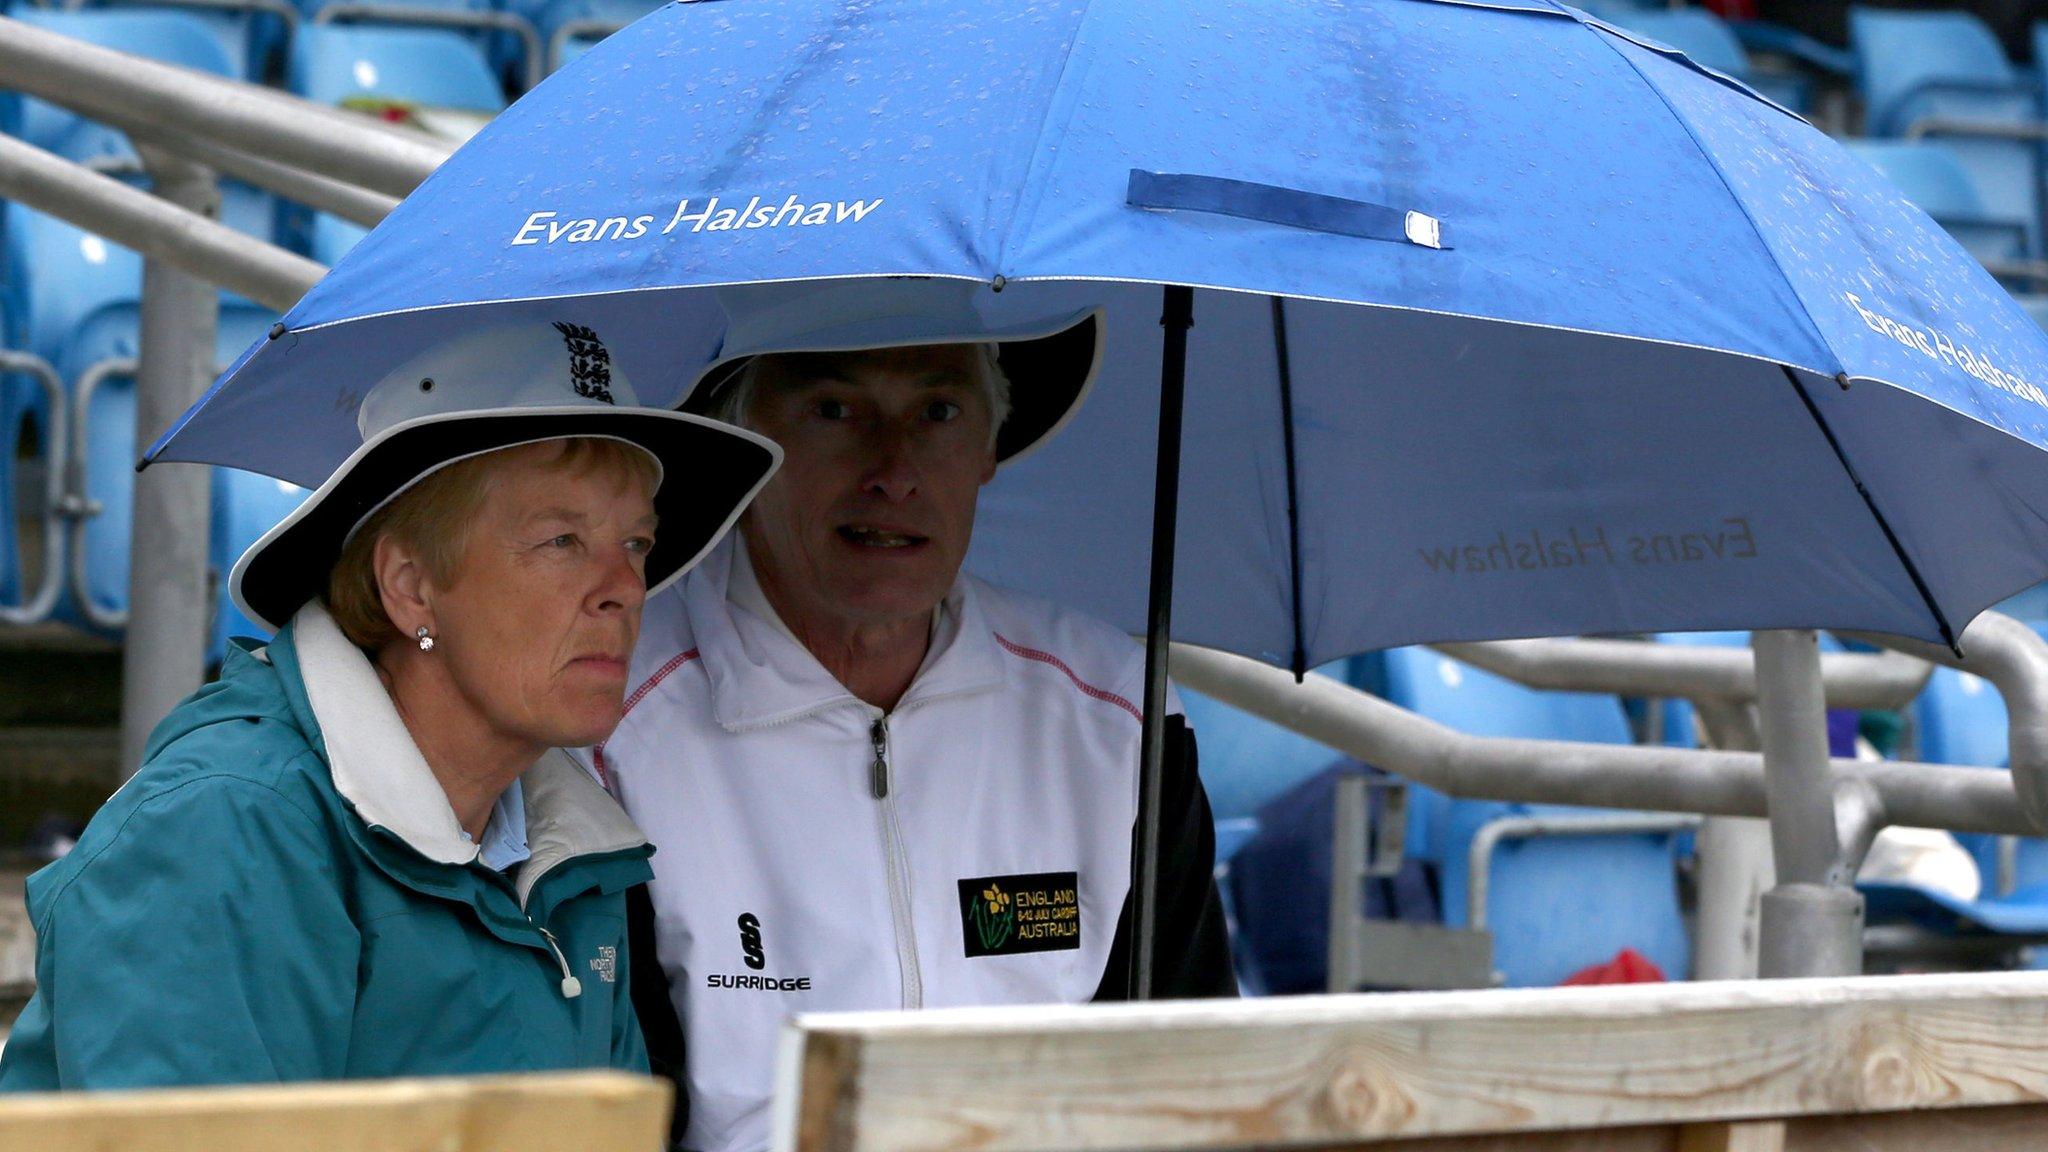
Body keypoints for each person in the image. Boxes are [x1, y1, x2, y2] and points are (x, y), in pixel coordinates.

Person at [0, 321, 779, 1090]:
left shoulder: (574, 854)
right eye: (561, 541)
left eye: (637, 544)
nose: (624, 589)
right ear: (410, 588)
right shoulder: (222, 828)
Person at [584, 280, 1235, 1152]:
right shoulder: (604, 717)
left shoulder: (1117, 711)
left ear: (989, 448)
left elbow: (1193, 1087)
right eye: (833, 408)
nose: (893, 472)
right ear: (746, 440)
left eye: (937, 410)